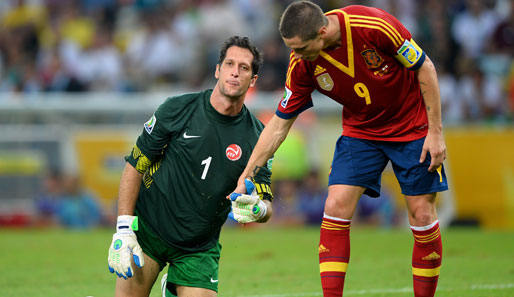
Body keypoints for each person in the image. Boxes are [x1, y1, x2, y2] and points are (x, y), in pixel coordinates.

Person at [233, 2, 448, 297]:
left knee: (421, 213)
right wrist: (247, 172)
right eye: (290, 48)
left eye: (302, 47)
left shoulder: (373, 26)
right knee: (334, 206)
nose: (295, 55)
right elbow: (279, 125)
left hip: (411, 127)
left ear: (322, 32)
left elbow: (425, 67)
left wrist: (435, 133)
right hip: (361, 132)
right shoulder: (301, 64)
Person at [107, 35, 274, 297]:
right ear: (218, 70)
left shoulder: (258, 138)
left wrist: (258, 208)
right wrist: (124, 230)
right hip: (149, 230)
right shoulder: (177, 109)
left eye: (244, 68)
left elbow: (266, 204)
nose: (235, 72)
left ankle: (173, 290)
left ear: (253, 80)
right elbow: (135, 166)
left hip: (199, 247)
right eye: (229, 64)